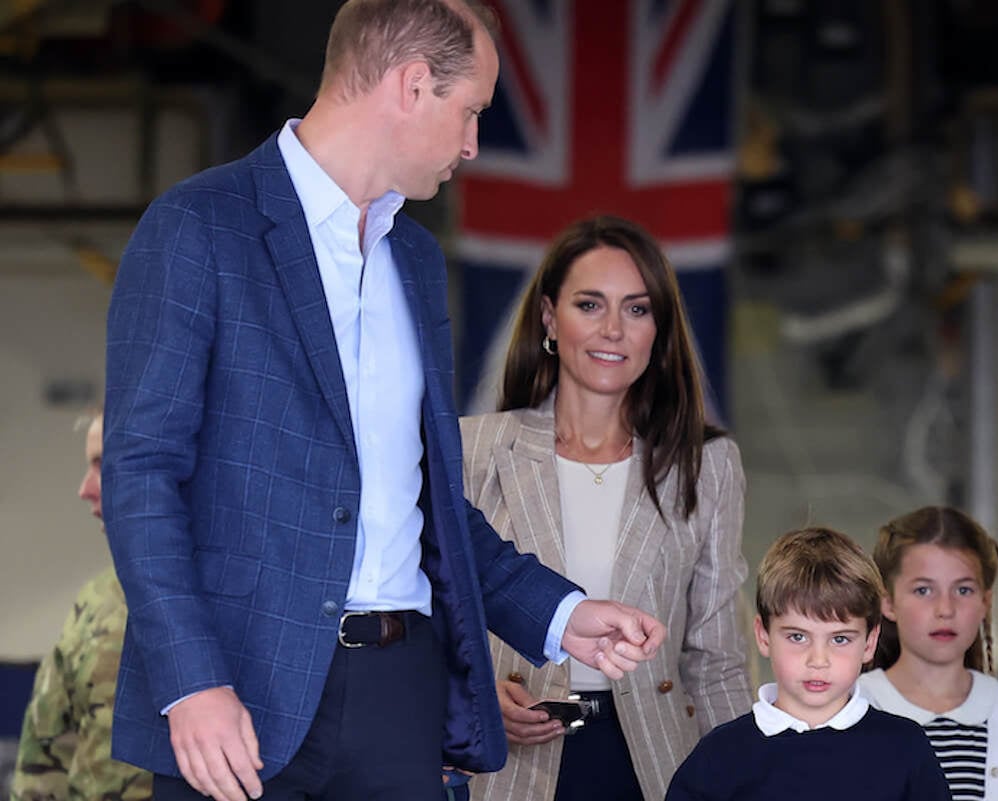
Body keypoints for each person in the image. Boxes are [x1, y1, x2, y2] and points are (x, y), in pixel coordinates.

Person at [101, 3, 666, 800]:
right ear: (410, 86)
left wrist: (559, 614)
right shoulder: (196, 228)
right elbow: (142, 477)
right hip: (238, 693)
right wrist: (191, 682)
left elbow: (428, 498)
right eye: (469, 111)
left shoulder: (415, 257)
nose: (472, 144)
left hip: (401, 694)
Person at [459, 215, 751, 801]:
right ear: (549, 317)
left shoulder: (708, 462)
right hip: (503, 766)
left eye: (637, 309)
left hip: (657, 763)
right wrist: (475, 695)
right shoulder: (472, 448)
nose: (613, 329)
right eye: (590, 305)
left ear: (659, 330)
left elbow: (717, 660)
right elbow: (430, 619)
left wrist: (748, 781)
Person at [665, 527, 951, 801]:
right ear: (763, 636)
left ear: (869, 642)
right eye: (798, 636)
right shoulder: (719, 754)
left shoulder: (904, 747)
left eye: (839, 639)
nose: (818, 660)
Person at [859, 507, 998, 801]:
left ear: (985, 602)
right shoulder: (853, 705)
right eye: (924, 590)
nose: (945, 610)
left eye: (963, 590)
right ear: (888, 602)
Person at [9, 411, 153, 801]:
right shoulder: (97, 599)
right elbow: (45, 751)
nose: (85, 488)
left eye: (101, 465)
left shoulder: (245, 602)